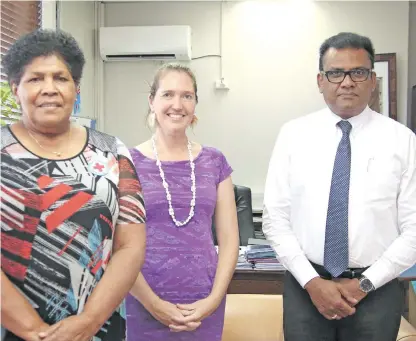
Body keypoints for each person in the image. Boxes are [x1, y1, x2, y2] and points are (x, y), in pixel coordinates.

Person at [263, 32, 416, 341]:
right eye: (336, 73)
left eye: (358, 72)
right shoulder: (293, 135)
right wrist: (312, 283)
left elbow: (414, 227)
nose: (347, 82)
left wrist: (365, 284)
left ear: (372, 80)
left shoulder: (403, 141)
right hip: (306, 287)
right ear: (321, 81)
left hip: (376, 291)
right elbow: (275, 219)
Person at [1, 29, 146, 341]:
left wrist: (88, 323)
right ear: (16, 88)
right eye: (35, 79)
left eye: (60, 78)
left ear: (76, 87)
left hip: (100, 328)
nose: (49, 89)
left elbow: (130, 245)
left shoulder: (113, 152)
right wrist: (36, 332)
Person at [125, 63, 239, 340]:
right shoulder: (126, 163)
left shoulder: (215, 161)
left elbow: (229, 239)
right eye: (168, 94)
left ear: (195, 104)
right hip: (144, 300)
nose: (177, 104)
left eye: (187, 96)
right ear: (152, 101)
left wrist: (213, 300)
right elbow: (120, 246)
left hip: (204, 302)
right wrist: (154, 305)